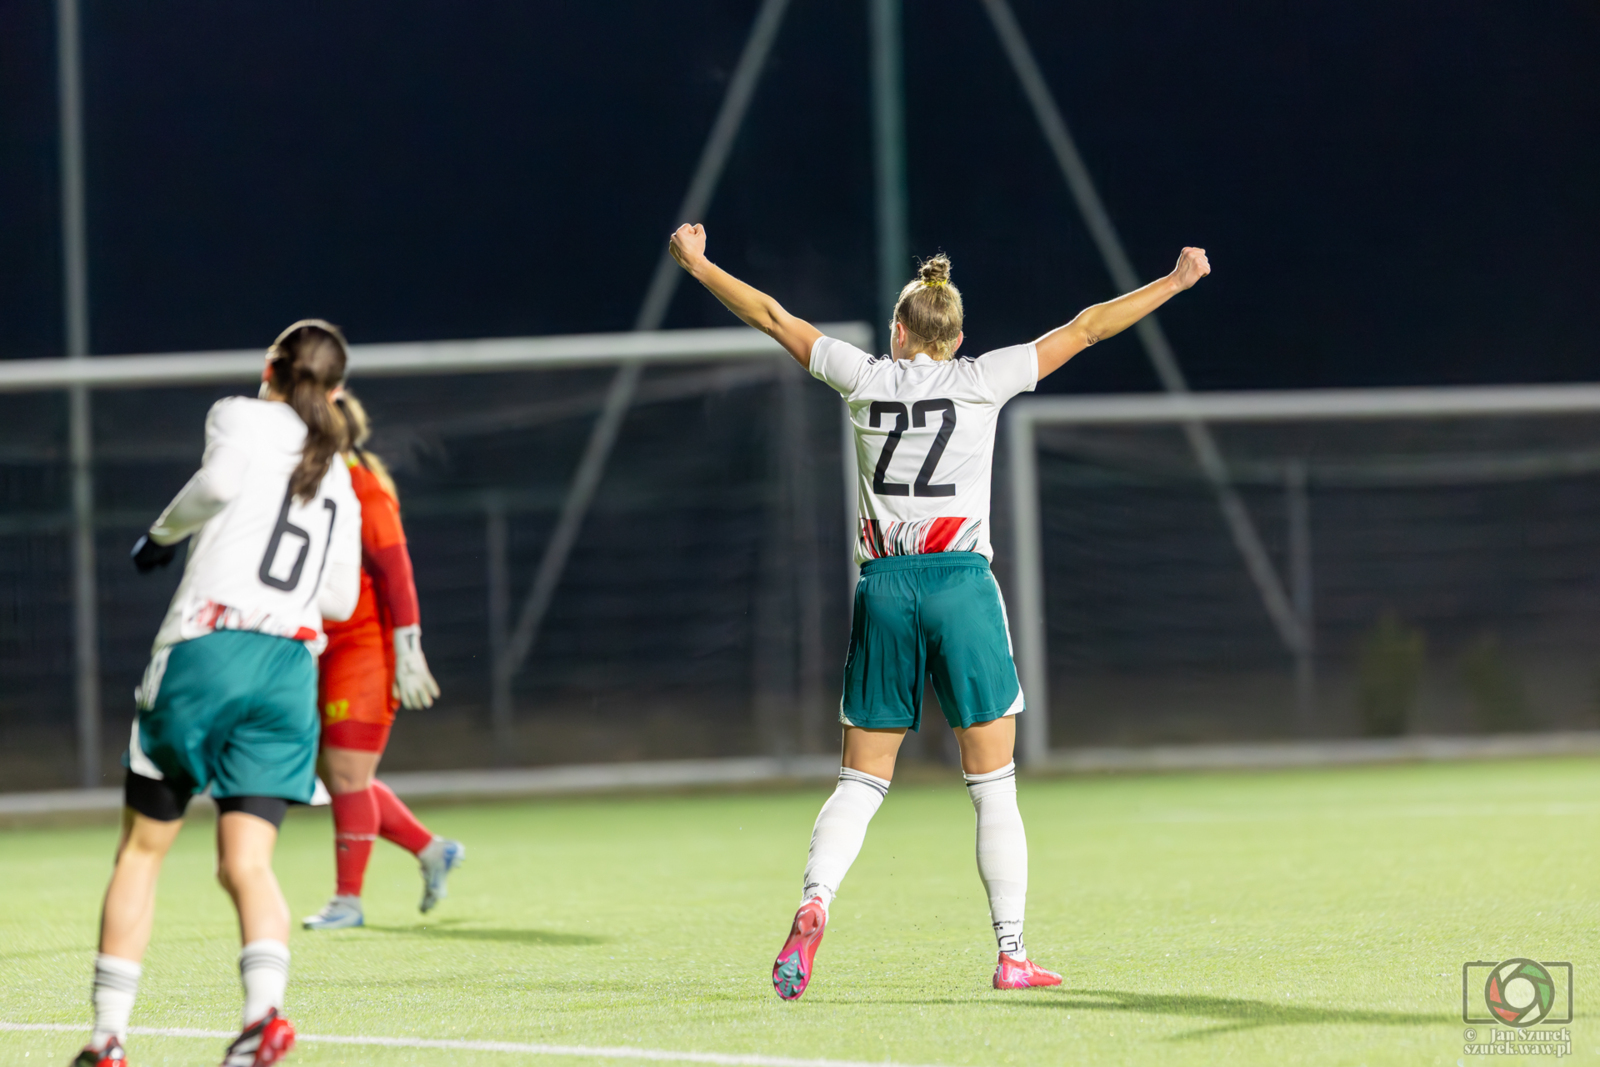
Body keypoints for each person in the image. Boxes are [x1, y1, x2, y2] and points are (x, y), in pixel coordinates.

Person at [668, 224, 1210, 999]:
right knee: (994, 786)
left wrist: (698, 263)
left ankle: (815, 901)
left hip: (884, 586)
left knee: (859, 783)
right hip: (961, 586)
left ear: (897, 330)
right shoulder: (984, 377)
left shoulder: (862, 376)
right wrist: (1175, 281)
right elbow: (1088, 327)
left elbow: (772, 316)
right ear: (957, 338)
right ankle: (1012, 953)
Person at [73, 320, 362, 1067]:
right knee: (248, 864)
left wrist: (162, 536)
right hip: (291, 670)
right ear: (334, 391)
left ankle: (106, 1040)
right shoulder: (340, 471)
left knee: (142, 850)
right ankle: (262, 1017)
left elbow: (221, 483)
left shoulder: (240, 414)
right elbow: (333, 599)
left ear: (270, 366)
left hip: (211, 651)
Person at [301, 391, 459, 932]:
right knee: (340, 773)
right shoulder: (311, 484)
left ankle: (349, 900)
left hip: (364, 648)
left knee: (346, 774)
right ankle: (430, 849)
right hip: (322, 645)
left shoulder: (362, 486)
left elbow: (397, 573)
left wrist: (409, 649)